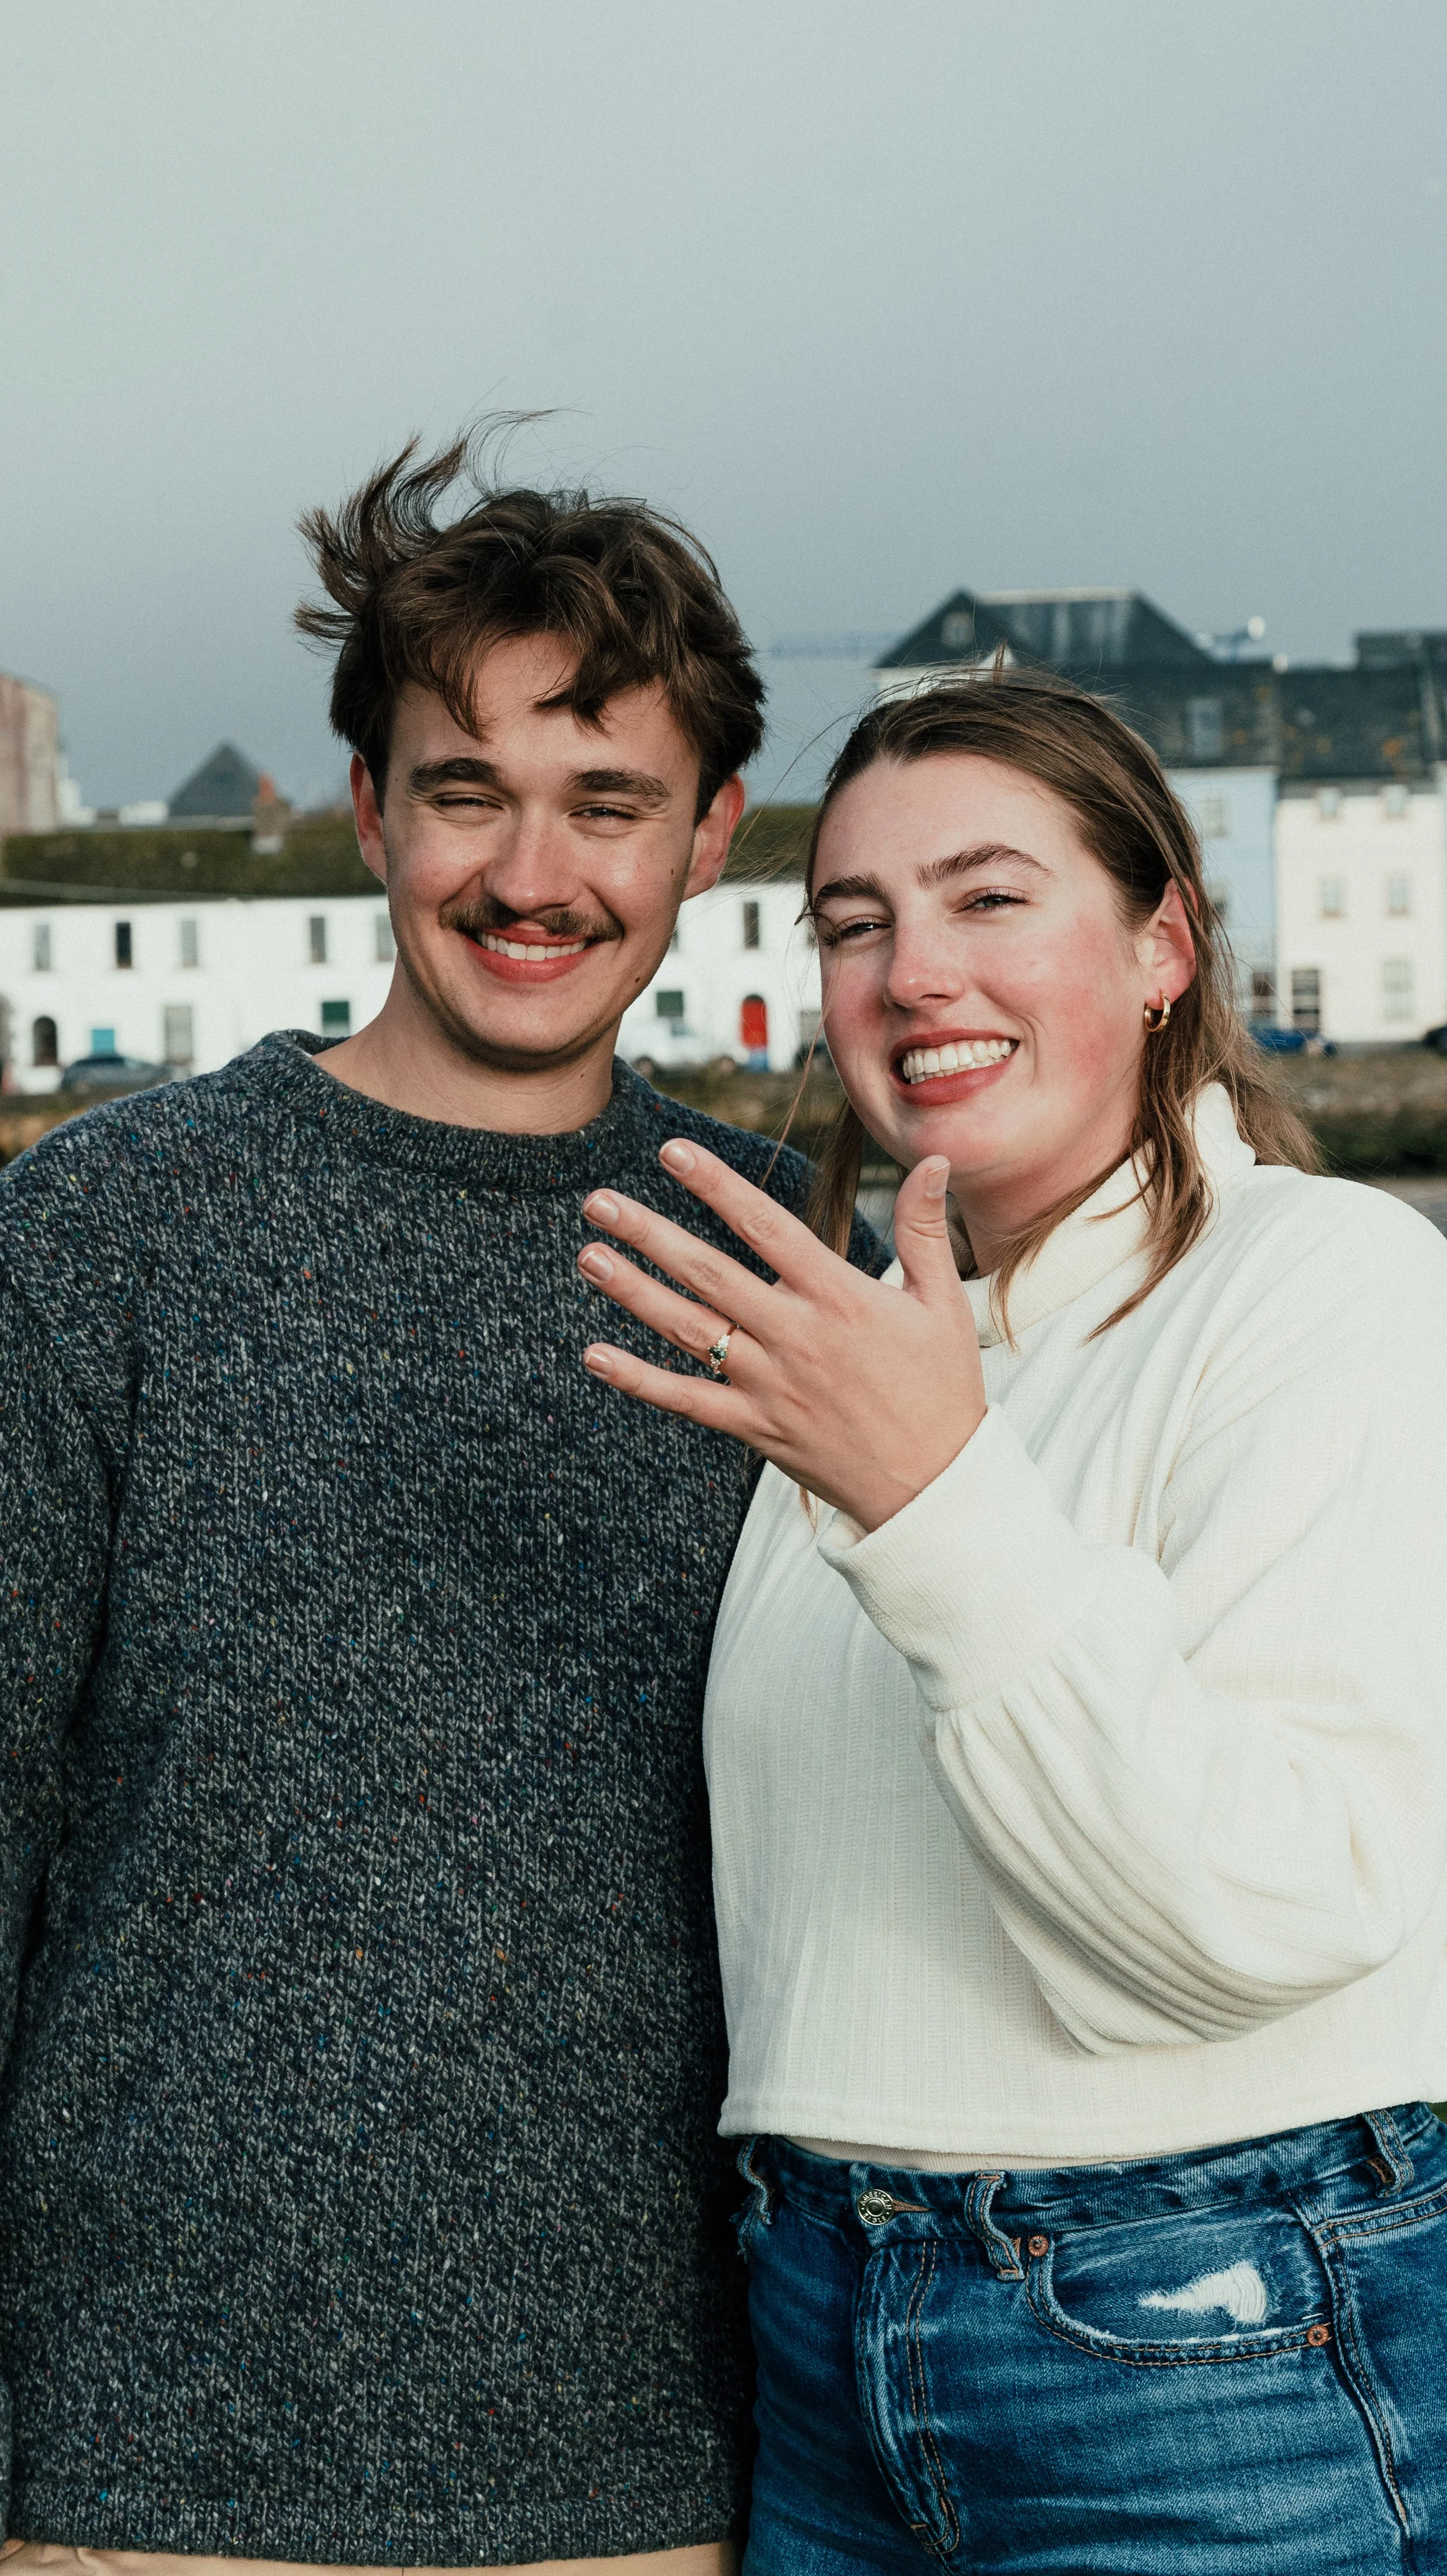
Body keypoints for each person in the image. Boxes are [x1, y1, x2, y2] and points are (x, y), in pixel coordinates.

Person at [0, 436, 877, 2576]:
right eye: (467, 791)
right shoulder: (108, 1231)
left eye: (607, 803)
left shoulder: (793, 1265)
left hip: (640, 2453)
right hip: (133, 2448)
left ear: (707, 842)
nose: (532, 872)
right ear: (373, 814)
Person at [574, 673, 1447, 2571]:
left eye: (988, 901)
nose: (912, 975)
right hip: (813, 2325)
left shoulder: (1334, 1287)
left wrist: (929, 1500)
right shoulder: (873, 1348)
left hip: (1209, 2336)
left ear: (1158, 943)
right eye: (856, 924)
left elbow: (1258, 1918)